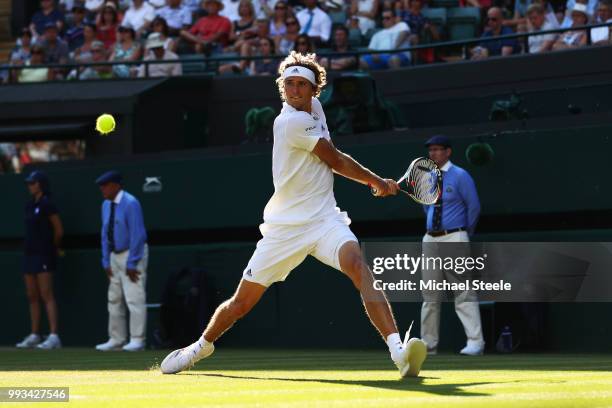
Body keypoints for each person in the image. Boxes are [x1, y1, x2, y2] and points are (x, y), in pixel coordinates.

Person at [160, 51, 428, 377]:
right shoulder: (290, 122)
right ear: (282, 87)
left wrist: (375, 182)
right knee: (240, 304)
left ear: (315, 91)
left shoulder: (314, 108)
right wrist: (376, 181)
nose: (296, 90)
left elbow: (333, 160)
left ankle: (399, 352)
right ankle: (199, 348)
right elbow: (336, 160)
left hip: (325, 220)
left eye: (303, 84)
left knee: (359, 267)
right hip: (284, 229)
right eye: (290, 84)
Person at [419, 135, 484, 356]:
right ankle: (428, 344)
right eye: (431, 150)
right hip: (430, 239)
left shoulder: (460, 175)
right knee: (430, 295)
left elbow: (473, 207)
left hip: (454, 237)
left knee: (463, 292)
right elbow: (426, 208)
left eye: (438, 150)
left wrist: (463, 232)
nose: (434, 154)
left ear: (448, 152)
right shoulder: (427, 178)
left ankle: (475, 343)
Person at [95, 171, 149, 352]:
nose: (102, 189)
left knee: (134, 297)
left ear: (117, 185)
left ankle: (137, 339)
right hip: (114, 256)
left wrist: (132, 262)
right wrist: (105, 260)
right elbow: (104, 233)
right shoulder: (105, 205)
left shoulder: (131, 203)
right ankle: (116, 338)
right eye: (101, 186)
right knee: (114, 298)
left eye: (106, 185)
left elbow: (138, 234)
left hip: (132, 254)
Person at [16, 171, 63, 350]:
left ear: (40, 185)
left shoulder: (47, 205)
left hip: (44, 254)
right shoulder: (29, 205)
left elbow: (58, 230)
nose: (30, 186)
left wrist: (53, 247)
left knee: (46, 294)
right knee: (32, 296)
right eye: (29, 183)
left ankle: (53, 335)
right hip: (29, 254)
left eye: (33, 183)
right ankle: (35, 334)